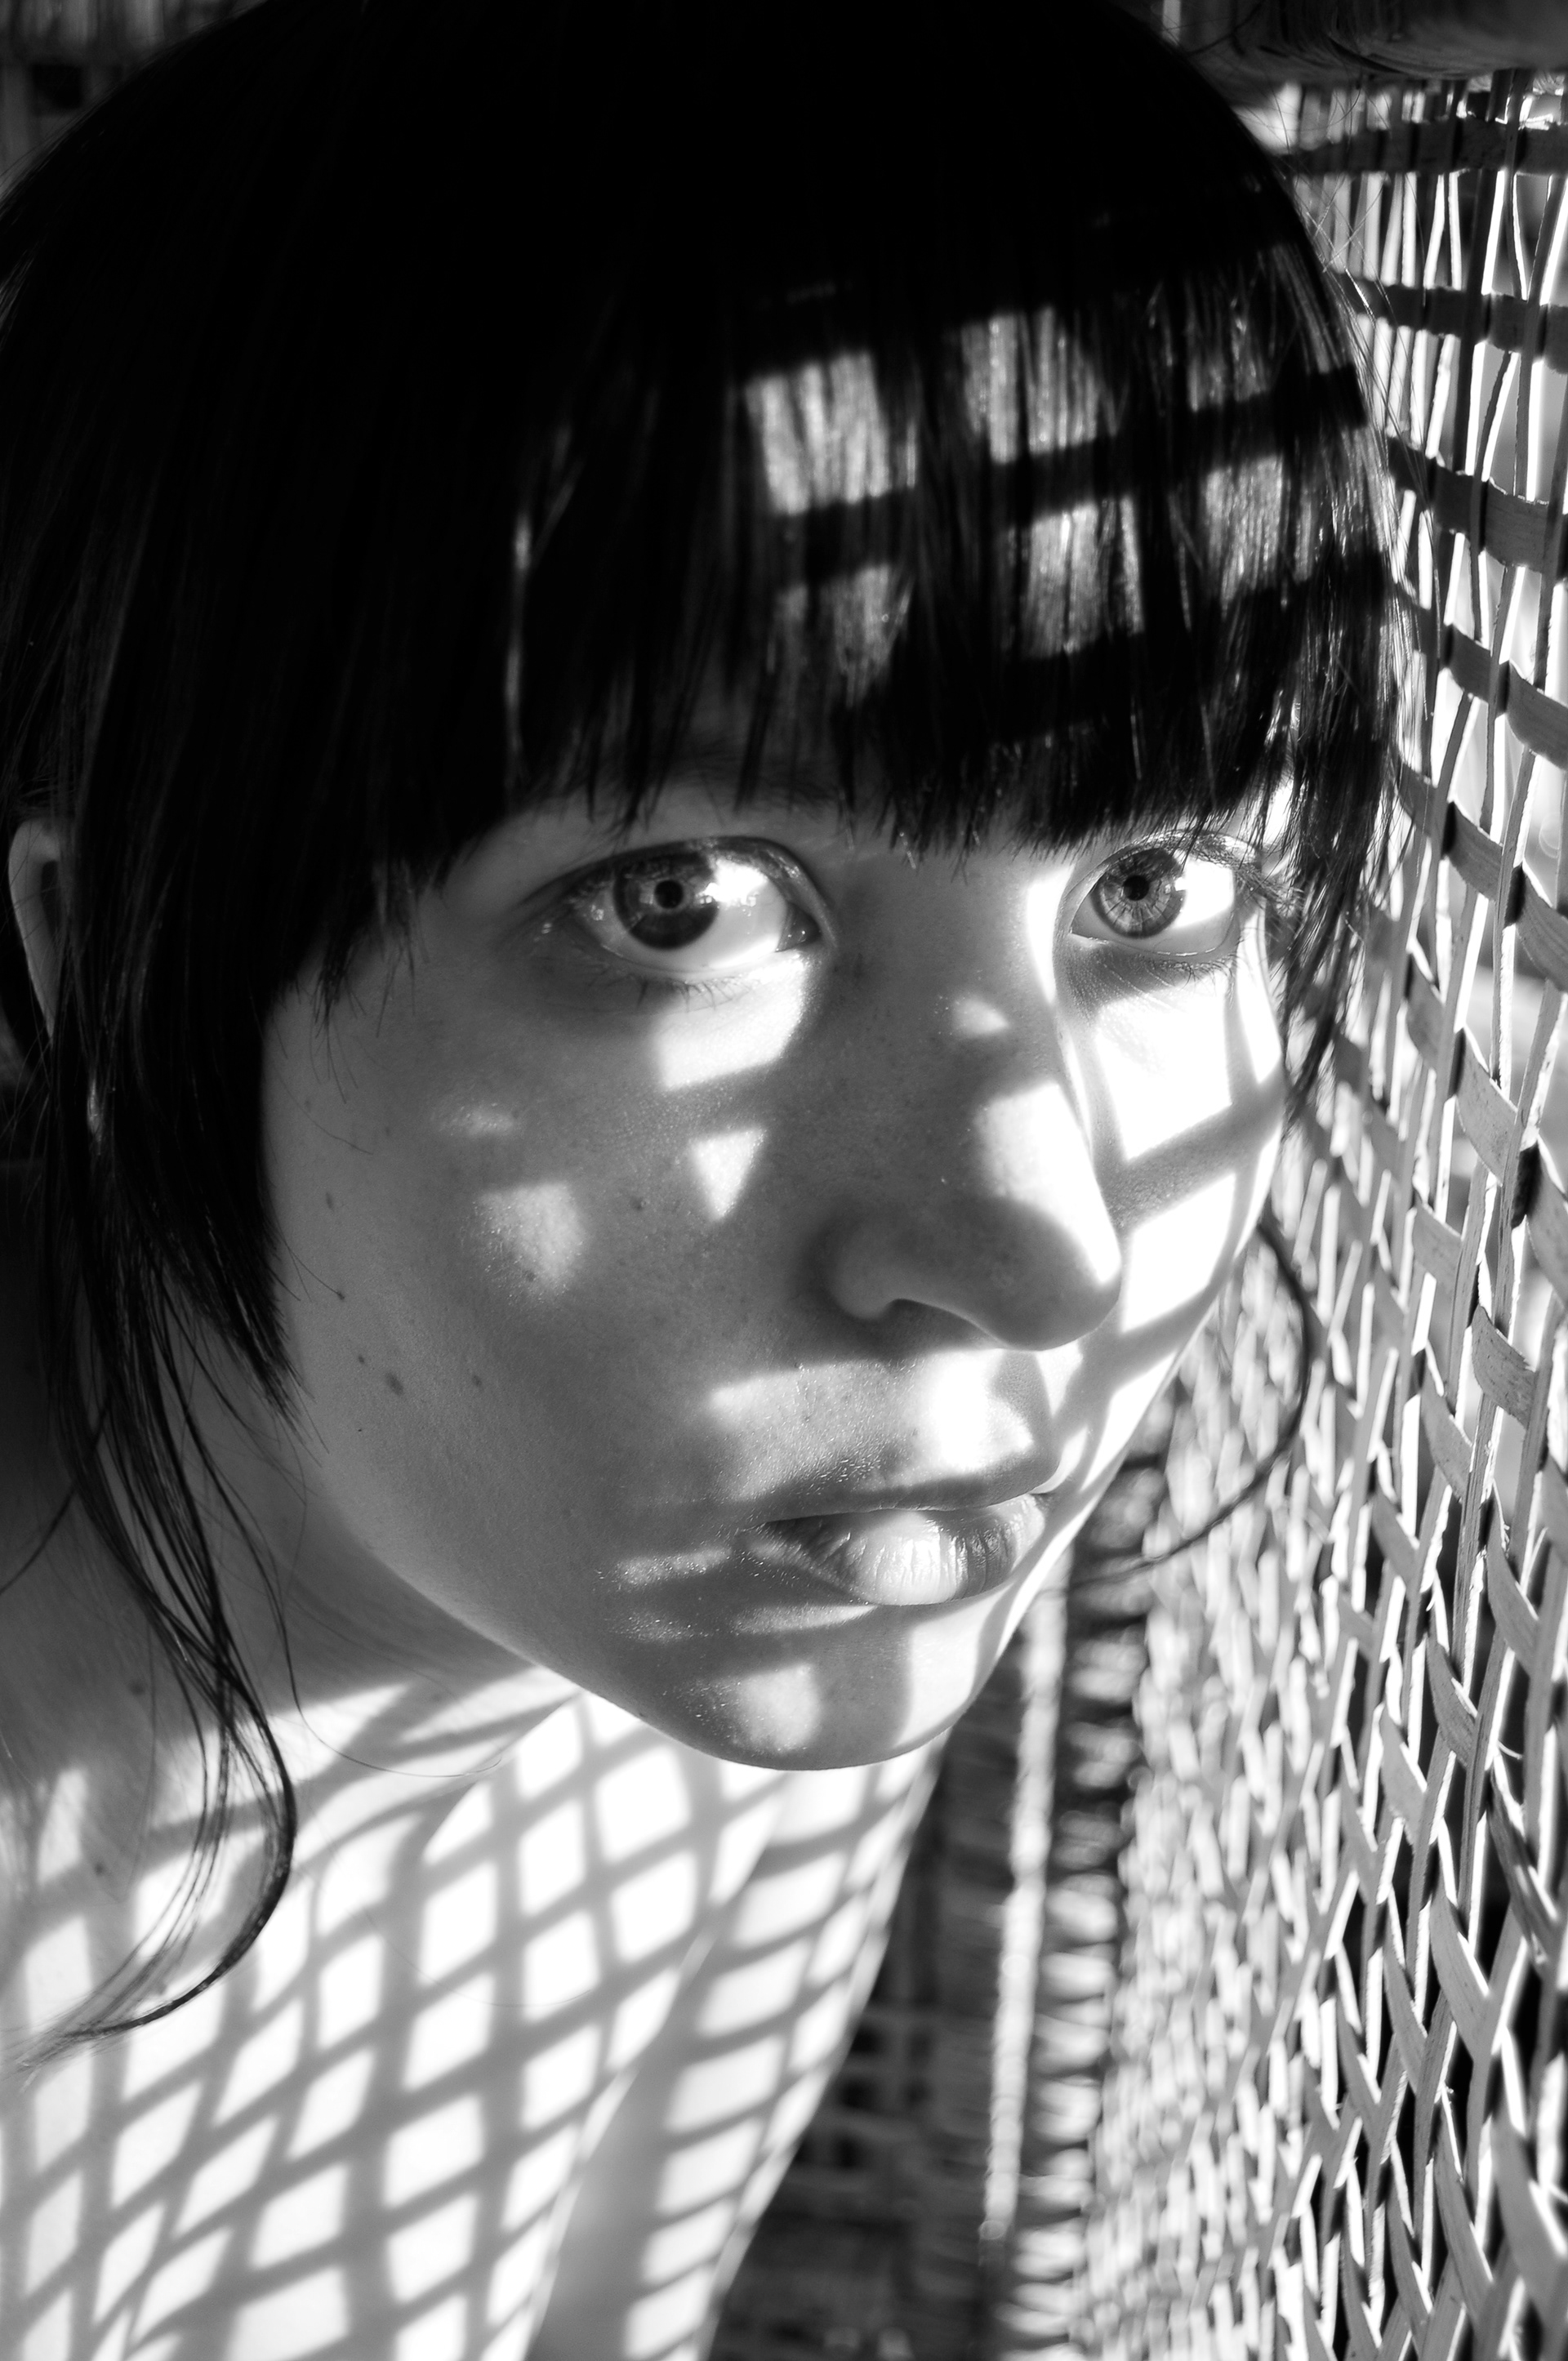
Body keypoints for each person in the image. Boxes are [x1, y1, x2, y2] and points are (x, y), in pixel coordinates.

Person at [0, 0, 1392, 2354]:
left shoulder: (746, 1614)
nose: (1045, 1242)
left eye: (1154, 887)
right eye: (681, 903)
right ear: (109, 951)